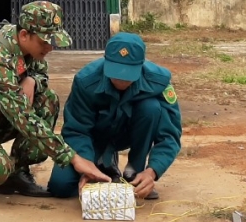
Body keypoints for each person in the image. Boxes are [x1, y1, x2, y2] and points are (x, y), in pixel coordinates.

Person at [0, 1, 111, 199]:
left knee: (47, 101)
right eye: (44, 42)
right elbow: (22, 118)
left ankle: (16, 173)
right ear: (24, 35)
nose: (50, 47)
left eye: (52, 41)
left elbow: (42, 75)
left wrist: (31, 80)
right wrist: (73, 158)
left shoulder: (28, 47)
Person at [47, 33, 181, 200]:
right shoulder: (85, 80)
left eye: (128, 74)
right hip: (95, 137)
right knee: (61, 186)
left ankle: (135, 173)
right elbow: (76, 129)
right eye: (116, 72)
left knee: (151, 108)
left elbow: (169, 135)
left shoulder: (158, 81)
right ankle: (102, 162)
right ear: (106, 62)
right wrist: (86, 164)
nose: (121, 79)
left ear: (141, 66)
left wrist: (152, 171)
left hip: (130, 132)